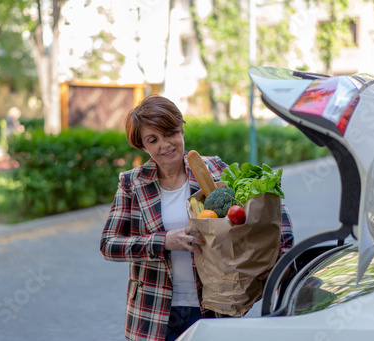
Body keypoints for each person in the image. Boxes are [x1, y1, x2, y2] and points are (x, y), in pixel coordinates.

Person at [100, 95, 294, 341]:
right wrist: (163, 241)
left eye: (169, 133)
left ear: (181, 129)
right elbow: (108, 244)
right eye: (152, 139)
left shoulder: (214, 170)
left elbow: (272, 207)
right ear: (142, 146)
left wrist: (283, 256)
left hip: (214, 306)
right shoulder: (132, 184)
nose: (165, 144)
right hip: (154, 313)